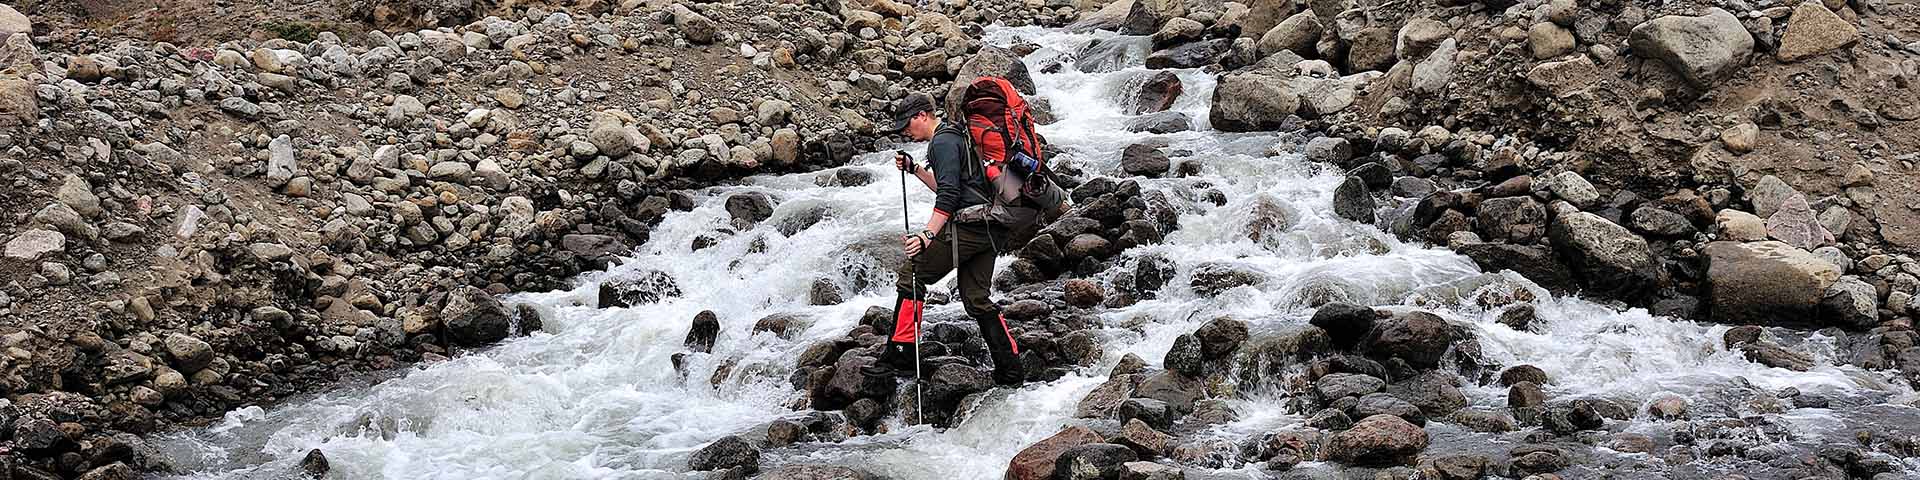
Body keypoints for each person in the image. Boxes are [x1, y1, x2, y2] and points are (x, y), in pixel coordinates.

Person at [866, 93, 1024, 387]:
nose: (905, 132)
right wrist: (916, 170)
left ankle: (901, 354)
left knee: (912, 275)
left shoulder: (941, 142)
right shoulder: (957, 135)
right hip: (993, 225)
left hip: (971, 226)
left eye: (907, 124)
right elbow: (952, 186)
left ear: (922, 116)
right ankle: (1011, 368)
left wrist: (927, 235)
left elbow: (949, 197)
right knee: (976, 298)